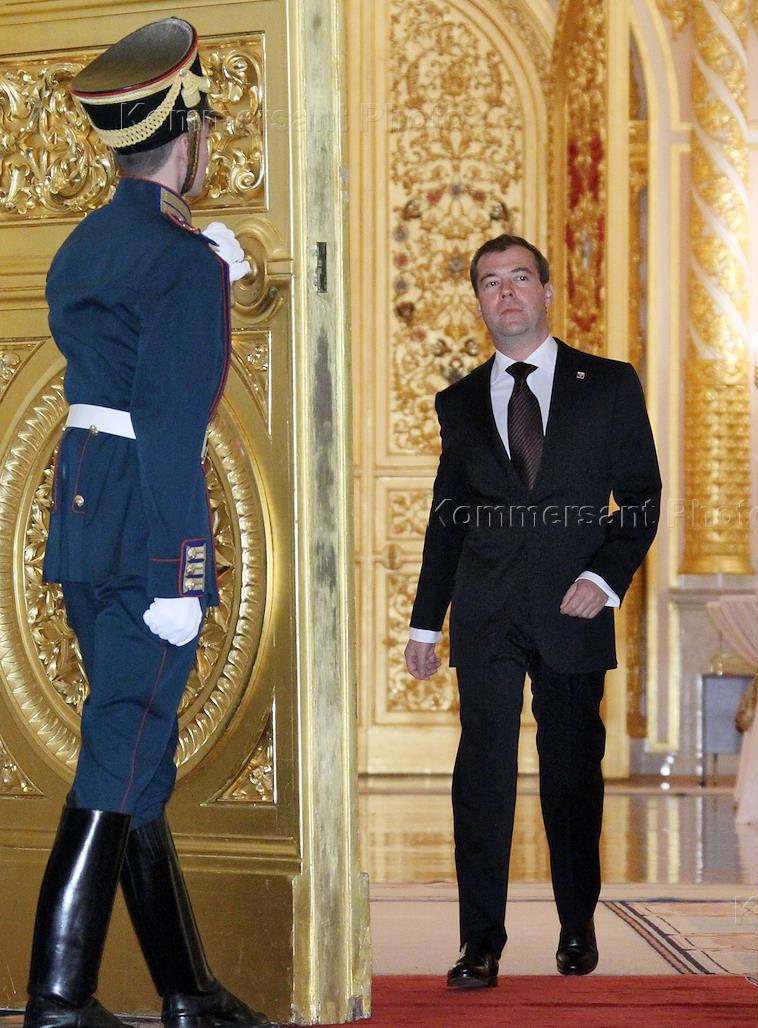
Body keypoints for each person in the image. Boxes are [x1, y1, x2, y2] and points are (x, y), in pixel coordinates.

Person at [26, 17, 265, 1028]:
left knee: (137, 758)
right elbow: (170, 428)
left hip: (88, 510)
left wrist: (204, 267)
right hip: (145, 522)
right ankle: (58, 996)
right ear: (191, 134)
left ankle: (187, 990)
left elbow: (120, 357)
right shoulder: (181, 263)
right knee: (123, 743)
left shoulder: (90, 241)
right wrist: (183, 571)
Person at [405, 234, 661, 989]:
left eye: (520, 277)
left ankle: (577, 926)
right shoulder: (459, 402)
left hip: (574, 607)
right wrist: (426, 622)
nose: (507, 292)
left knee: (571, 772)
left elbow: (640, 498)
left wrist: (604, 577)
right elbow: (447, 517)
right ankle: (479, 944)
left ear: (547, 292)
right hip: (486, 611)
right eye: (491, 282)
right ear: (479, 302)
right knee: (481, 777)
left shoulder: (607, 384)